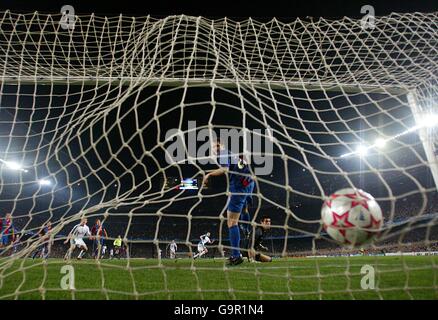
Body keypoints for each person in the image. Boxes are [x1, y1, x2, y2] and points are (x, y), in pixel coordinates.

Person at [203, 140, 255, 266]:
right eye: (213, 147)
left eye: (217, 146)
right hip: (249, 183)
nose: (215, 149)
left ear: (222, 146)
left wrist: (208, 175)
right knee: (243, 211)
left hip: (239, 187)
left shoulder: (224, 153)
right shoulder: (232, 154)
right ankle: (246, 228)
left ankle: (236, 256)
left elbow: (225, 169)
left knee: (231, 222)